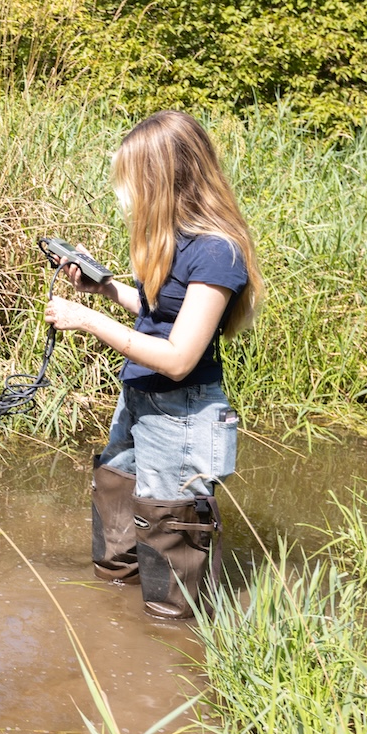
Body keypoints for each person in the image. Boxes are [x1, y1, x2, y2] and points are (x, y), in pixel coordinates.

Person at [44, 111, 264, 619]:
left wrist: (90, 321)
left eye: (131, 181)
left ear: (165, 178)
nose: (126, 195)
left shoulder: (217, 252)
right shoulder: (174, 238)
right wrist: (102, 290)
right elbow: (160, 315)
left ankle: (172, 647)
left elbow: (180, 358)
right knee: (116, 495)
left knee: (171, 547)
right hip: (140, 400)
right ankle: (116, 619)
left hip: (183, 413)